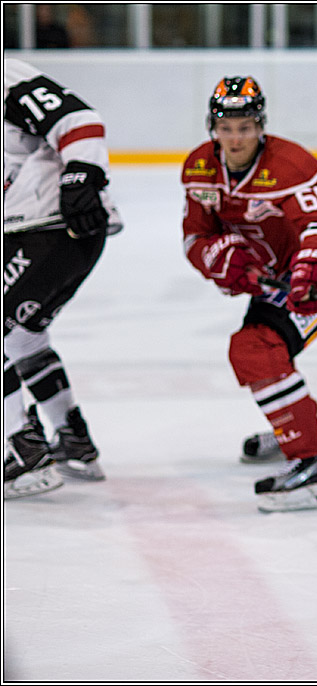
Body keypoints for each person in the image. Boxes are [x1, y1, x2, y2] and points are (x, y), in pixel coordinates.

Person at [180, 76, 317, 513]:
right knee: (264, 352)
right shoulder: (201, 168)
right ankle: (291, 432)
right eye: (227, 127)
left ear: (260, 125)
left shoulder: (291, 165)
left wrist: (314, 268)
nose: (236, 137)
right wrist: (226, 260)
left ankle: (310, 466)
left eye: (245, 127)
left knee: (256, 349)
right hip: (272, 275)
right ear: (213, 127)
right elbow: (195, 237)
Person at [4, 57, 123, 499]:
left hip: (55, 227)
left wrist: (80, 176)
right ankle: (73, 444)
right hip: (40, 234)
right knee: (22, 338)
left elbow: (79, 119)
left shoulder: (5, 76)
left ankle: (21, 454)